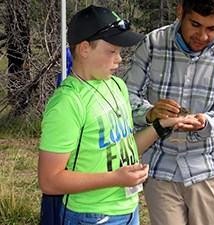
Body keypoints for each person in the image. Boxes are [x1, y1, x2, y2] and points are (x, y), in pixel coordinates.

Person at [38, 5, 201, 225]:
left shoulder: (116, 86)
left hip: (128, 210)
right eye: (111, 51)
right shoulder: (67, 103)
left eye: (119, 52)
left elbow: (126, 146)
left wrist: (162, 125)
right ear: (84, 49)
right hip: (90, 215)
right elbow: (50, 181)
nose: (119, 60)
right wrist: (115, 178)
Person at [122, 0, 214, 224]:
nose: (203, 36)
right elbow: (124, 97)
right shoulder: (153, 44)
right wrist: (150, 113)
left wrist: (205, 122)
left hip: (206, 168)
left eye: (212, 29)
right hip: (160, 164)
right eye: (195, 24)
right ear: (180, 12)